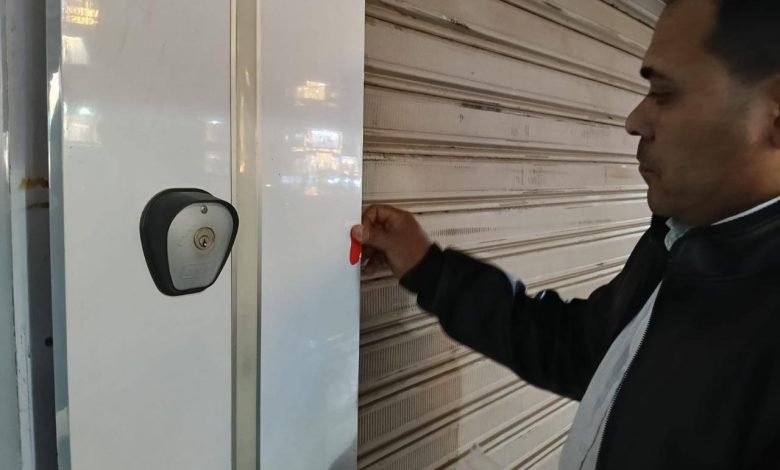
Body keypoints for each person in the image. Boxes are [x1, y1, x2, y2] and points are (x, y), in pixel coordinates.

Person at [351, 0, 780, 468]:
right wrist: (428, 267)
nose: (634, 121)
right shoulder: (681, 240)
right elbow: (584, 351)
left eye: (663, 93)